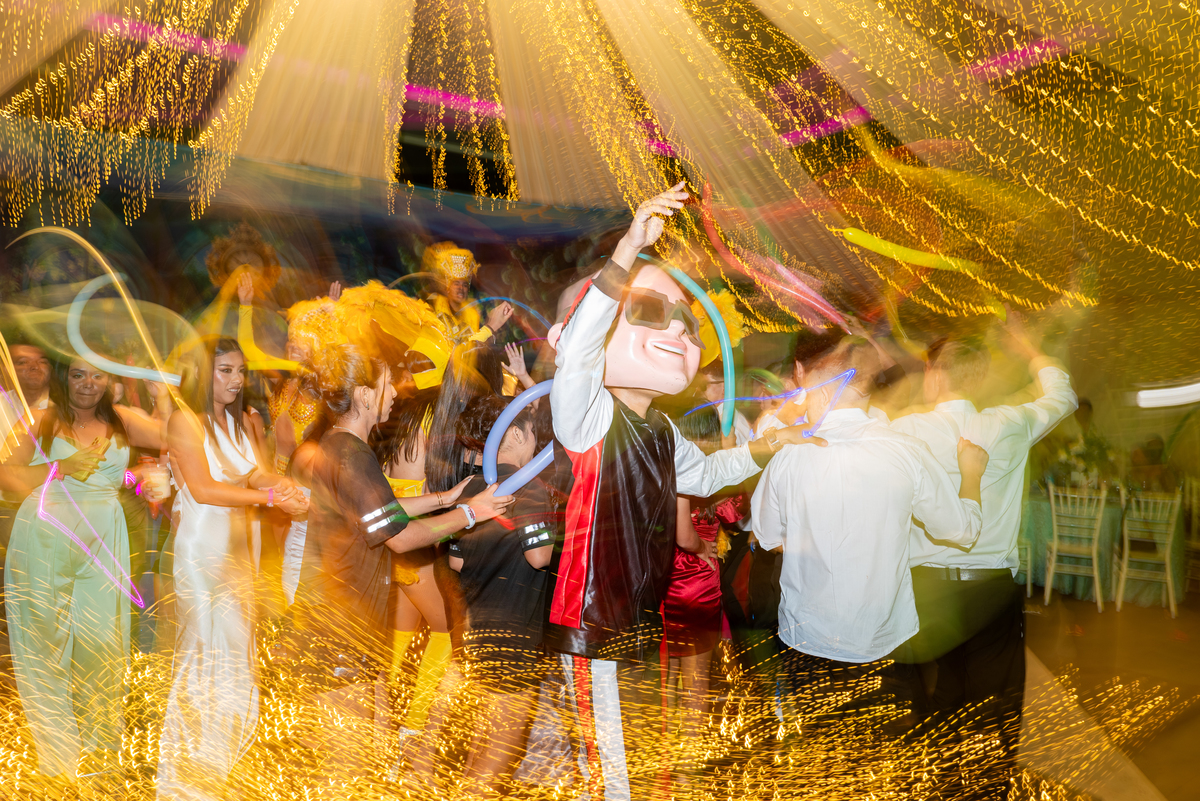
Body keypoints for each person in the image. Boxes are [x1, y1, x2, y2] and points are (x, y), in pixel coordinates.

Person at [545, 184, 824, 796]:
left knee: (642, 765)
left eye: (687, 321)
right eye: (647, 310)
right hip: (596, 623)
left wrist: (769, 445)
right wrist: (627, 251)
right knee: (614, 779)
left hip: (641, 620)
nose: (676, 329)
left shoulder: (662, 429)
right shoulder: (589, 416)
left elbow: (705, 476)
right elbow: (582, 351)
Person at [289, 342, 512, 777]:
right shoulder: (352, 454)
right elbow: (400, 537)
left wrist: (444, 498)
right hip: (338, 629)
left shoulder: (340, 445)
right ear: (364, 395)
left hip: (345, 625)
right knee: (347, 774)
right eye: (387, 384)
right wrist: (470, 513)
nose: (395, 392)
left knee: (365, 764)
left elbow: (380, 510)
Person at [751, 340, 989, 731]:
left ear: (809, 380)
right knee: (883, 761)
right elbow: (962, 531)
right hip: (885, 643)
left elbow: (768, 537)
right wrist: (972, 475)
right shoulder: (907, 451)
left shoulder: (789, 457)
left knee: (812, 760)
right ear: (868, 383)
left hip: (807, 641)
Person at [890, 320, 1076, 797]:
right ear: (977, 378)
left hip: (926, 589)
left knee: (936, 701)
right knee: (995, 706)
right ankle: (987, 787)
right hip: (991, 590)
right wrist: (1031, 348)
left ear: (935, 375)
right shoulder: (1010, 423)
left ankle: (937, 783)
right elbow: (1063, 396)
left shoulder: (904, 430)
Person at [0, 356, 169, 791]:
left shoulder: (123, 420)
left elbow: (174, 436)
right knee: (45, 646)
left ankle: (99, 754)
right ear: (65, 376)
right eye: (78, 374)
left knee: (103, 643)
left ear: (109, 380)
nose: (88, 383)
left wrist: (140, 472)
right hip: (45, 540)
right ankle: (58, 759)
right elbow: (5, 475)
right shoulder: (43, 419)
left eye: (98, 375)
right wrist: (61, 467)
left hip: (103, 542)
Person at [157, 338, 307, 801]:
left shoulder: (237, 422)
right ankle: (186, 781)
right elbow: (203, 489)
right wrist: (270, 498)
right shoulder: (184, 420)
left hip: (239, 552)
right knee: (204, 656)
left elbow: (255, 472)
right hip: (202, 549)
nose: (237, 380)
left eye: (240, 371)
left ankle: (220, 768)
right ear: (204, 373)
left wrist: (285, 485)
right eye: (225, 370)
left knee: (238, 656)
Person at [445, 393, 558, 794]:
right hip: (514, 638)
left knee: (479, 745)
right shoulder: (528, 487)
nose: (536, 441)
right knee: (497, 757)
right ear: (517, 433)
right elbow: (539, 557)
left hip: (476, 632)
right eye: (533, 432)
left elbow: (456, 562)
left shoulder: (472, 487)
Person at [663, 406, 742, 743]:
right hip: (698, 583)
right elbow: (735, 512)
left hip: (665, 579)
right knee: (696, 681)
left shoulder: (668, 467)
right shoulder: (710, 471)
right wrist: (700, 546)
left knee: (665, 677)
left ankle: (664, 750)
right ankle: (690, 758)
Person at [422, 241, 513, 342]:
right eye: (456, 283)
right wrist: (490, 327)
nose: (461, 288)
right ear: (447, 287)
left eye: (465, 285)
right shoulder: (432, 306)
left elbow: (474, 346)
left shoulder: (472, 314)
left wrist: (490, 324)